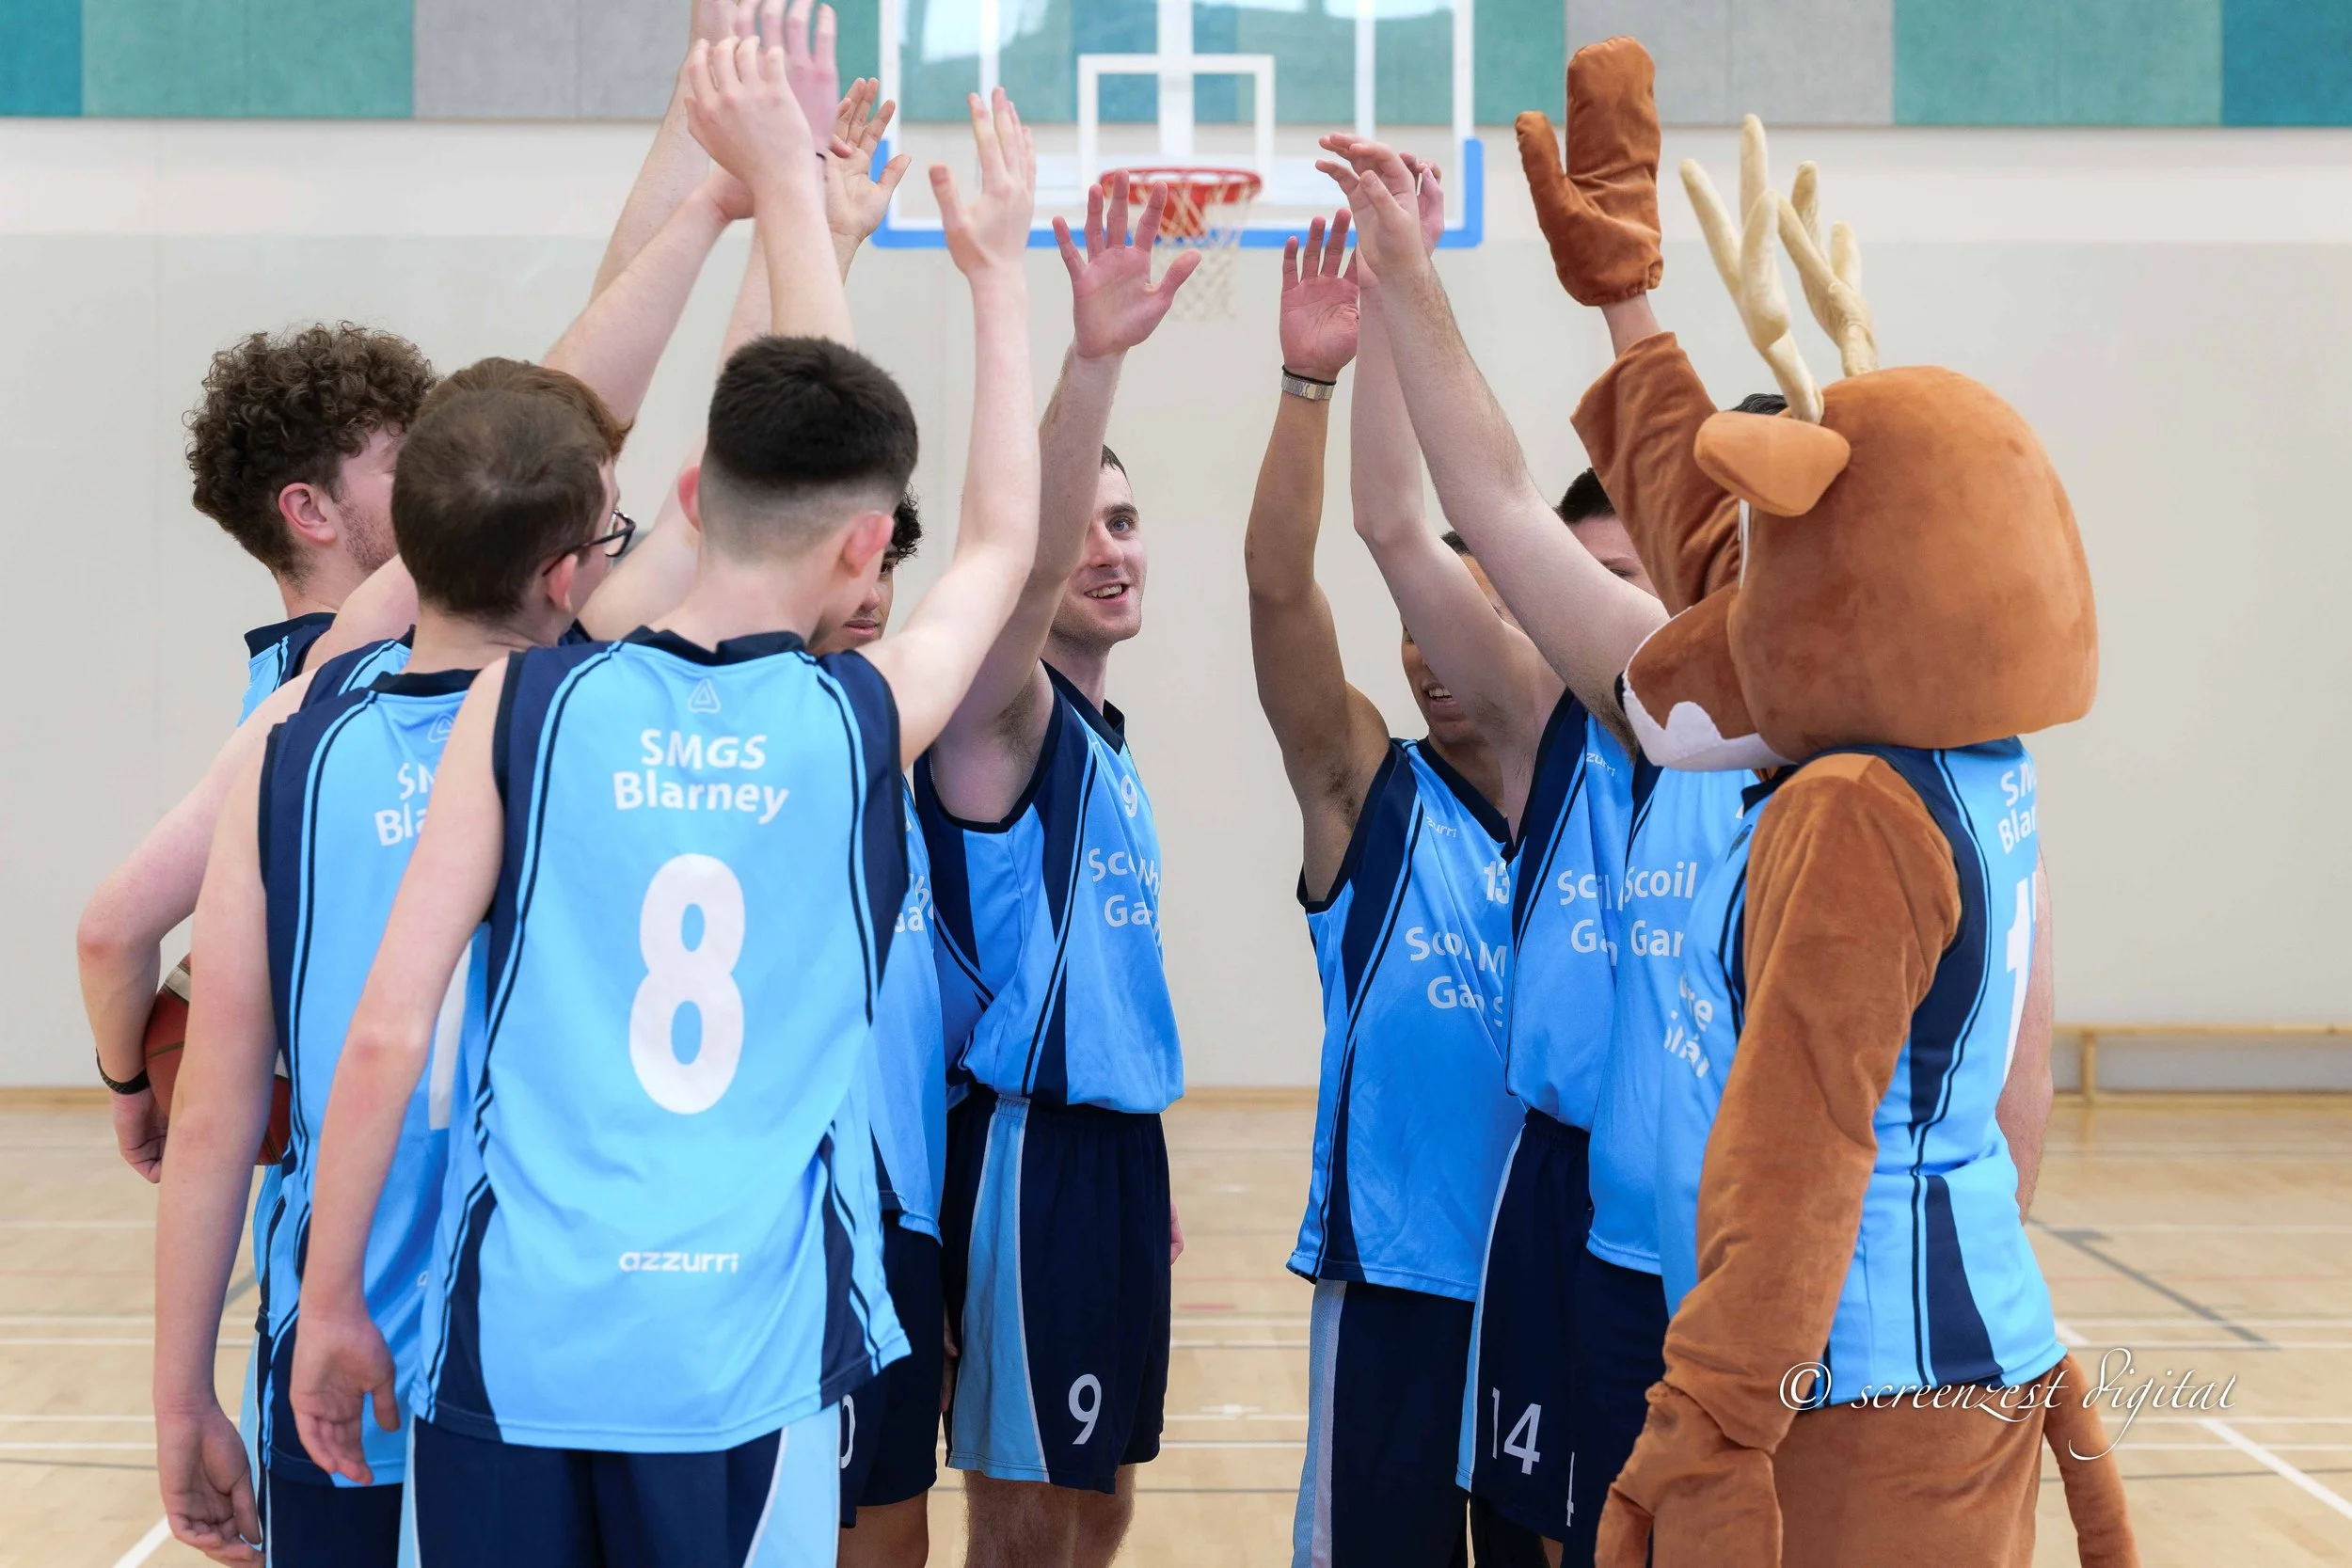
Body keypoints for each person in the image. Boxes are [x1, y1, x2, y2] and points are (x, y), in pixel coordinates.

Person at [289, 47, 1039, 1565]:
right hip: (732, 1370)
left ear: (685, 497)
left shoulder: (532, 701)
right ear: (867, 555)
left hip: (518, 1349)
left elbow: (382, 1028)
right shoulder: (859, 723)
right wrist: (994, 274)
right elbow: (1002, 538)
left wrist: (328, 1297)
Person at [75, 0, 864, 1182]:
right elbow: (574, 416)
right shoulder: (329, 686)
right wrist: (756, 195)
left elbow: (577, 424)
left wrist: (724, 171)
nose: (457, 451)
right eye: (405, 454)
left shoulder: (416, 670)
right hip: (476, 1225)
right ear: (312, 511)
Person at [152, 379, 627, 1567]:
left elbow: (210, 1118)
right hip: (555, 1327)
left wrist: (178, 1398)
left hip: (334, 1308)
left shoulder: (287, 750)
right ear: (567, 574)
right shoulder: (614, 731)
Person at [1307, 140, 1665, 1563]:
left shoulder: (1789, 742)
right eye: (1577, 586)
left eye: (1624, 584)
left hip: (1713, 1219)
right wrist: (1401, 286)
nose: (1596, 614)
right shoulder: (1547, 719)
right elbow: (1401, 521)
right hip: (1557, 1199)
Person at [1241, 206, 1549, 1567]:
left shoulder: (1588, 797)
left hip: (1553, 1265)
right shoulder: (1364, 787)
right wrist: (1313, 385)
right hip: (1399, 1280)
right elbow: (1276, 586)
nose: (1428, 650)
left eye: (1457, 619)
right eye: (1413, 625)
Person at [913, 172, 1195, 1568]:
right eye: (1088, 517)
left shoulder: (1112, 742)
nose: (1108, 546)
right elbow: (1015, 570)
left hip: (1114, 1155)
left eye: (1128, 523)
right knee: (1025, 1526)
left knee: (1103, 1509)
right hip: (1024, 1155)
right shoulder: (999, 721)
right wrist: (1094, 355)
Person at [831, 497, 955, 1568]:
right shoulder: (780, 737)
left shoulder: (905, 761)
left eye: (888, 569)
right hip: (818, 1217)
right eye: (852, 564)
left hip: (904, 1210)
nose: (874, 595)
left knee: (896, 1531)